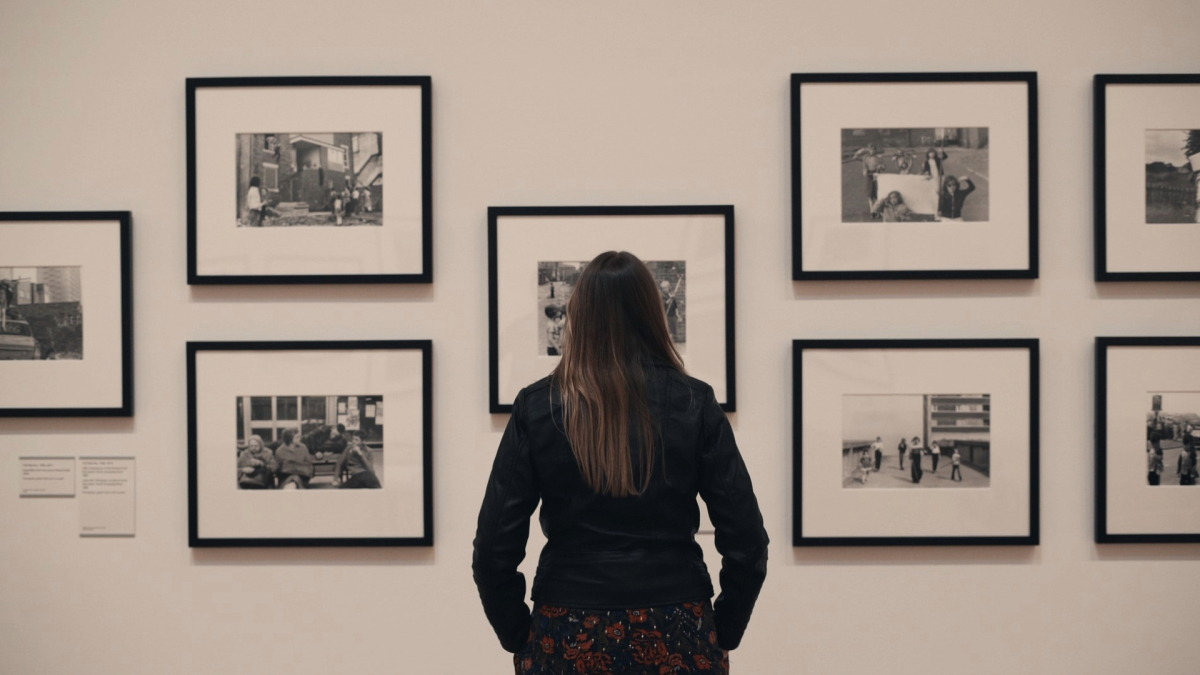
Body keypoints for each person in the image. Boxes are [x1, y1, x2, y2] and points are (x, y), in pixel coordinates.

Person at [473, 251, 767, 675]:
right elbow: (748, 542)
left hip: (567, 628)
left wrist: (522, 637)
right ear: (653, 314)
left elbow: (492, 551)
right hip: (678, 627)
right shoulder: (694, 402)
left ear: (578, 315)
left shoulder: (538, 407)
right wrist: (723, 632)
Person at [853, 144, 887, 215]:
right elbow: (855, 158)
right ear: (868, 150)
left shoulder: (879, 157)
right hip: (869, 176)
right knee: (870, 194)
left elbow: (884, 167)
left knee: (877, 193)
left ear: (876, 150)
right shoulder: (865, 157)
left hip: (877, 176)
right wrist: (860, 151)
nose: (872, 151)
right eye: (870, 149)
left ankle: (878, 210)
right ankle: (872, 211)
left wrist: (881, 166)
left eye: (874, 149)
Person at [660, 279, 681, 343]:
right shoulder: (662, 295)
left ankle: (675, 342)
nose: (664, 289)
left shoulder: (671, 294)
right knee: (667, 330)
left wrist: (677, 315)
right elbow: (664, 304)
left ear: (669, 288)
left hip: (673, 315)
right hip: (666, 315)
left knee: (674, 329)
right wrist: (670, 299)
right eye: (663, 288)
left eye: (665, 288)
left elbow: (675, 306)